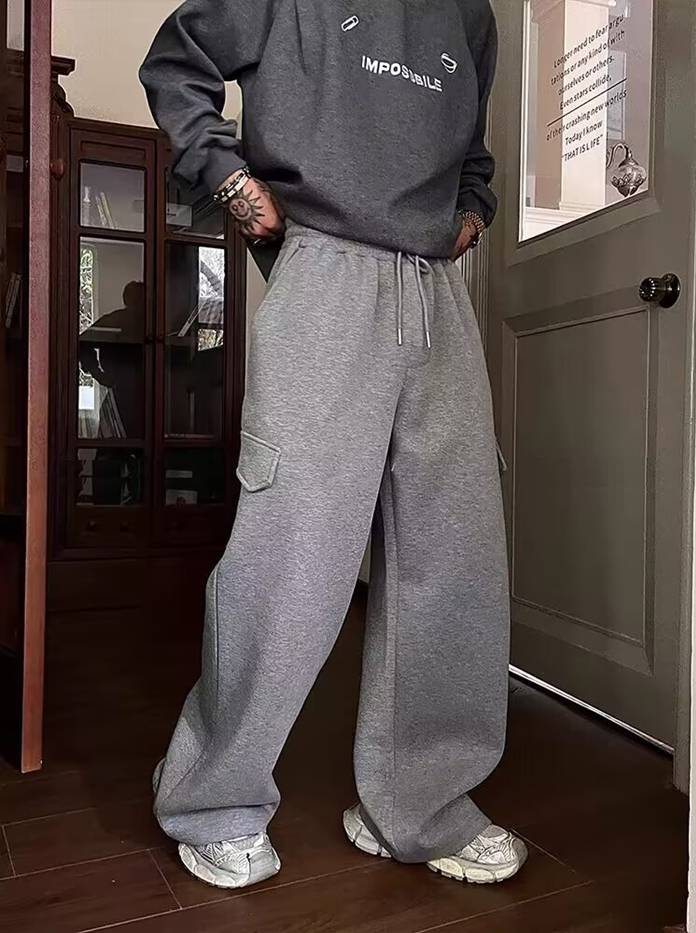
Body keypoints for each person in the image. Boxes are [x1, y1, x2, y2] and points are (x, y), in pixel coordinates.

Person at [140, 0, 527, 891]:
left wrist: (471, 213)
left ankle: (421, 805)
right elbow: (177, 65)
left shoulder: (470, 14)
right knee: (292, 555)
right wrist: (235, 185)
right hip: (326, 268)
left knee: (454, 560)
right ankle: (212, 796)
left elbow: (473, 155)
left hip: (436, 291)